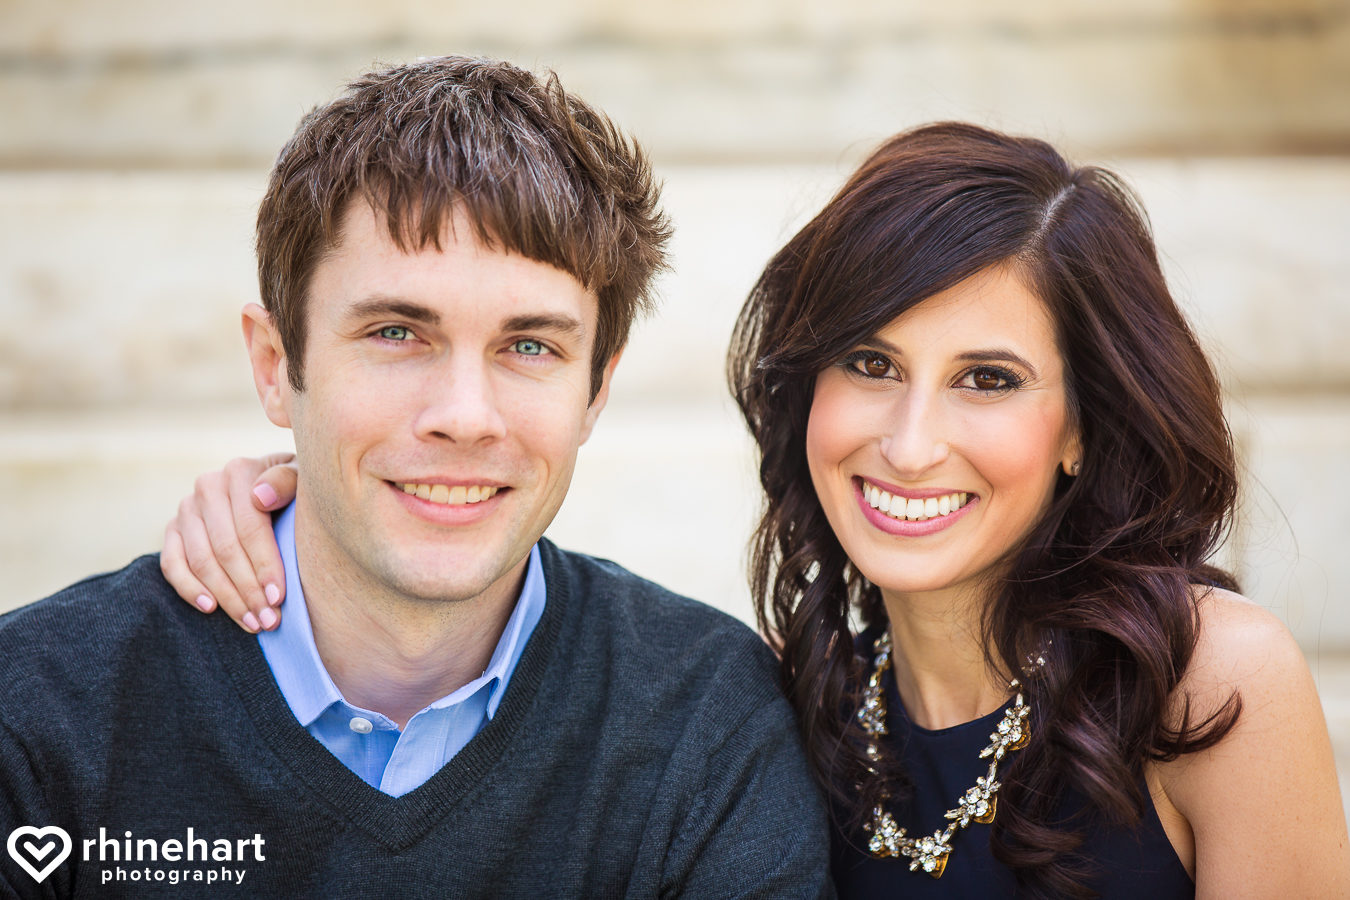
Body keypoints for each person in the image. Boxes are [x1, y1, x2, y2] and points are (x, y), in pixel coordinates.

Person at [167, 122, 1350, 897]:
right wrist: (282, 499)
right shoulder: (798, 699)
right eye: (872, 365)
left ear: (1083, 424)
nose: (910, 441)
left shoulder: (1209, 684)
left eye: (988, 380)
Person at [0, 57, 831, 898]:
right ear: (274, 362)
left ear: (596, 392)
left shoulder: (707, 720)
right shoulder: (36, 712)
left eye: (530, 346)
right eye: (398, 333)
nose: (464, 415)